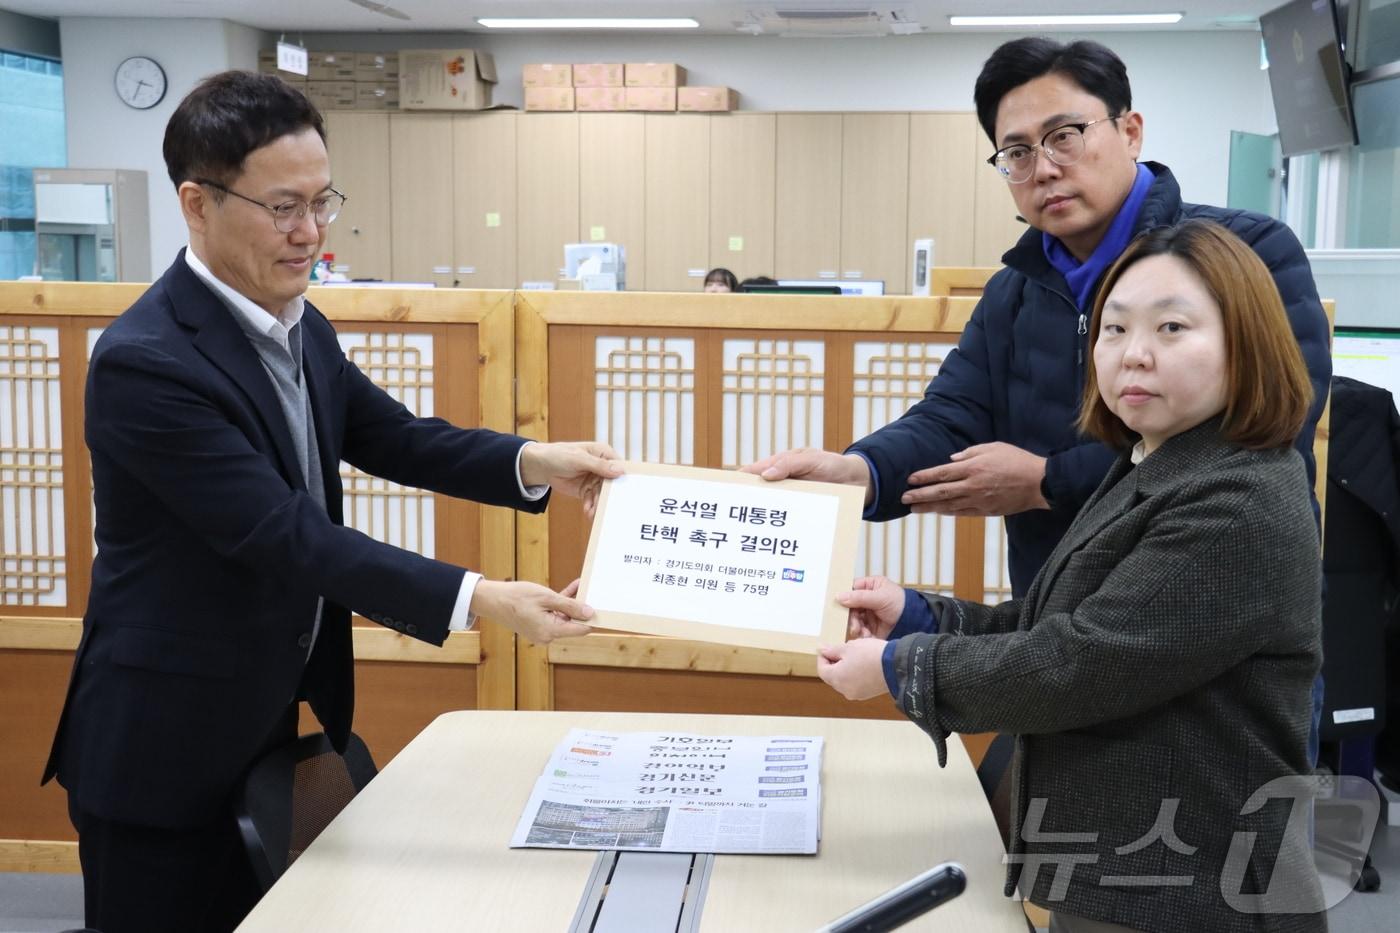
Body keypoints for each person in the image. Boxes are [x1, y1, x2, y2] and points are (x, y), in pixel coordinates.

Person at [41, 71, 620, 933]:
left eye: (322, 201)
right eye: (282, 208)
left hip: (263, 722)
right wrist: (483, 600)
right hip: (160, 747)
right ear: (196, 205)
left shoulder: (300, 320)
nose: (309, 232)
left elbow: (394, 436)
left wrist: (535, 459)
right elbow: (286, 535)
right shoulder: (147, 363)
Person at [818, 220, 1325, 932]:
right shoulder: (1156, 462)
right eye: (1113, 330)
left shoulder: (1238, 497)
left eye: (1172, 328)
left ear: (1247, 342)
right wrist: (916, 616)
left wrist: (902, 666)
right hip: (1127, 865)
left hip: (1192, 889)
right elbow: (1053, 622)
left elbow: (1079, 662)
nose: (1134, 355)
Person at [744, 37, 1330, 600]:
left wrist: (1047, 482)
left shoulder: (1247, 253)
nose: (1044, 168)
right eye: (1018, 152)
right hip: (1059, 619)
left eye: (1065, 136)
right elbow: (953, 418)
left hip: (1216, 600)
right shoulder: (1014, 292)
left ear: (1130, 132)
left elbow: (1259, 427)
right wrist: (861, 472)